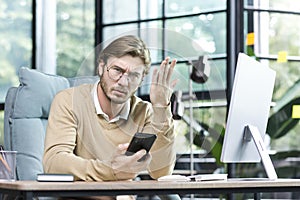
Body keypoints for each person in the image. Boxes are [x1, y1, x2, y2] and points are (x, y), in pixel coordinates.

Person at [43, 35, 178, 182]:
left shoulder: (145, 111)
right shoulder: (69, 101)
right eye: (117, 70)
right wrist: (111, 170)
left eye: (134, 75)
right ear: (101, 67)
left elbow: (161, 172)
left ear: (141, 81)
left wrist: (161, 108)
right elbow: (53, 162)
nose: (123, 82)